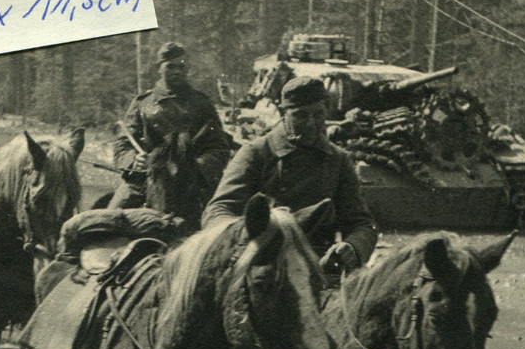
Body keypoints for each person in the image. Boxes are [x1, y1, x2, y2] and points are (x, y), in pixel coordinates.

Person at [202, 76, 377, 271]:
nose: (311, 124)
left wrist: (352, 247)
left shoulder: (338, 160)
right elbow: (219, 210)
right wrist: (245, 240)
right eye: (301, 115)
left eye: (318, 114)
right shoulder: (257, 153)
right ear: (284, 114)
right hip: (261, 263)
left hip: (317, 264)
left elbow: (361, 224)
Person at [109, 42, 231, 228]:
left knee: (222, 230)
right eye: (170, 66)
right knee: (105, 224)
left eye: (181, 66)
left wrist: (197, 166)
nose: (176, 71)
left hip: (194, 184)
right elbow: (122, 144)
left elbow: (218, 146)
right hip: (144, 181)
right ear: (159, 68)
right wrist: (134, 160)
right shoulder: (143, 104)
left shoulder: (201, 104)